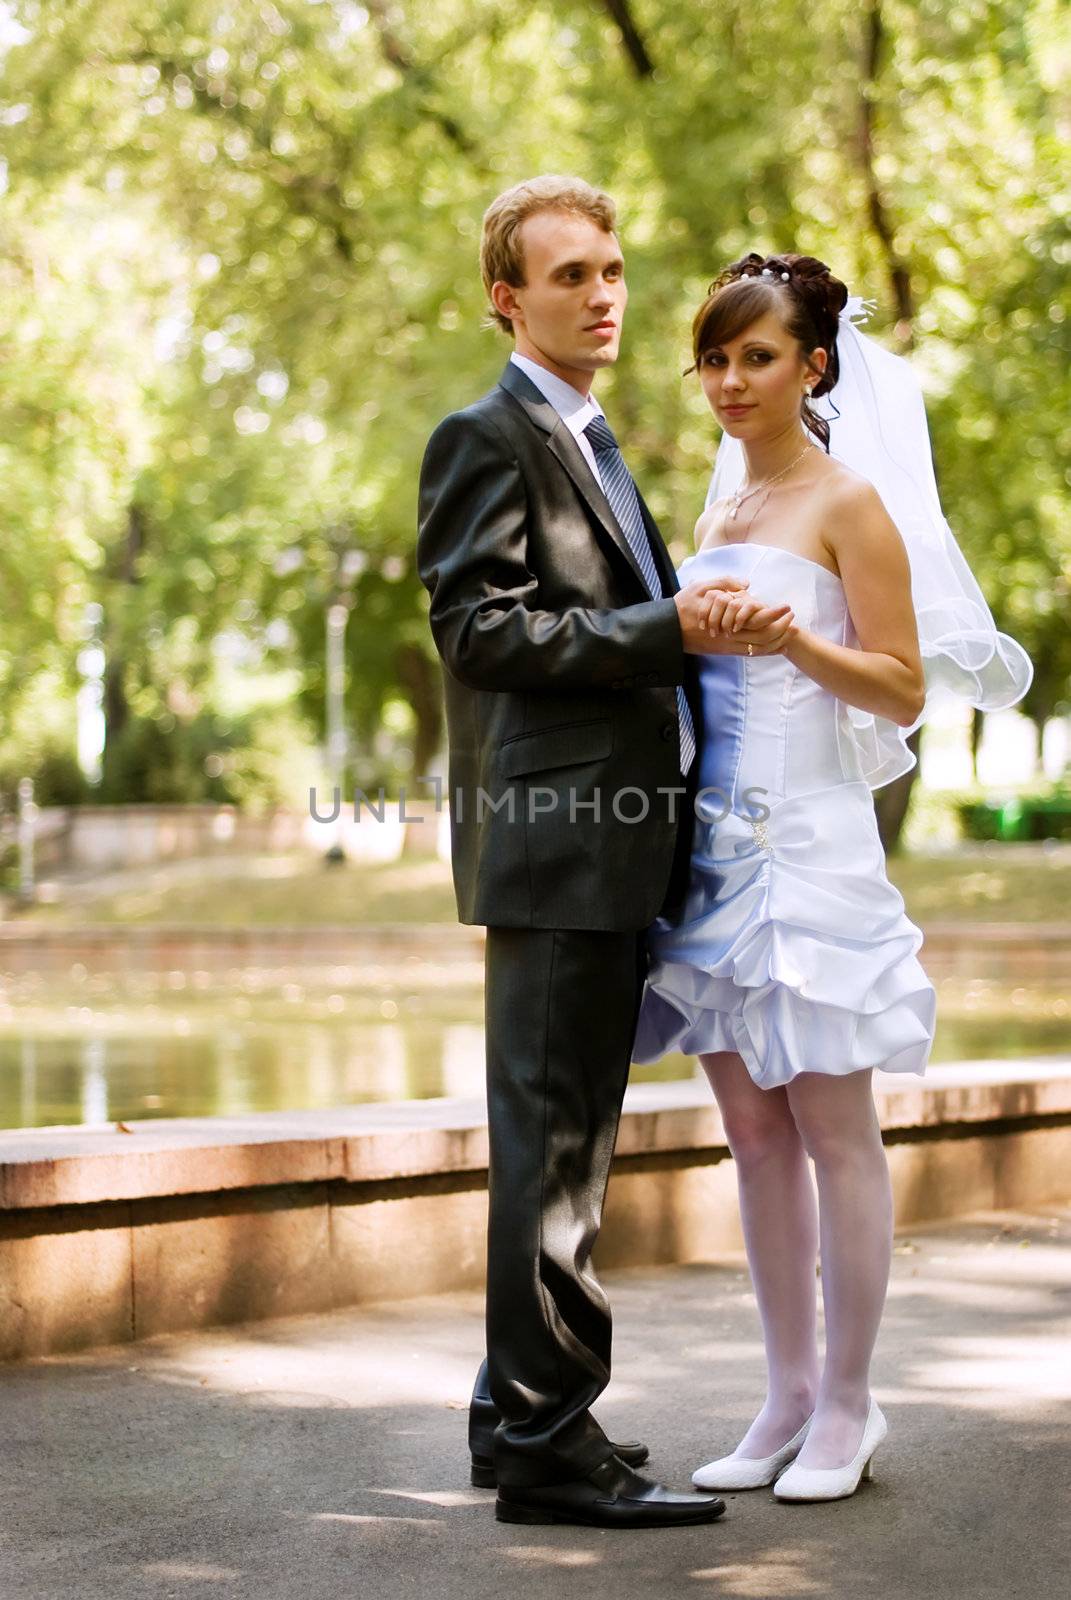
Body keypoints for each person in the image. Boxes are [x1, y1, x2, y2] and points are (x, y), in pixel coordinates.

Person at [416, 180, 794, 1528]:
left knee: (568, 1151)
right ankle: (542, 1450)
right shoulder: (485, 433)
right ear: (505, 298)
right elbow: (479, 631)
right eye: (568, 273)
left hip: (607, 851)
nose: (602, 293)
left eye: (613, 268)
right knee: (551, 1153)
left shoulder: (591, 438)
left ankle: (515, 1417)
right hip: (555, 848)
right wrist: (669, 629)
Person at [633, 252, 1032, 1503]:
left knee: (831, 1129)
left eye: (757, 356)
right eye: (715, 356)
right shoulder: (719, 517)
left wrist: (799, 636)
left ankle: (852, 1407)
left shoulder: (851, 501)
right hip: (716, 853)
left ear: (815, 366)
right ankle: (785, 1395)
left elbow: (904, 687)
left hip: (811, 846)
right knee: (750, 1134)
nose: (731, 380)